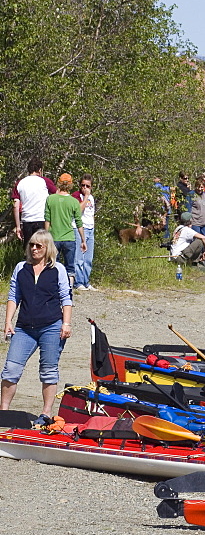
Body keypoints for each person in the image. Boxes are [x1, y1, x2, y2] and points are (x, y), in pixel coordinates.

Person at [1, 230, 73, 416]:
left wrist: (66, 323)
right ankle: (4, 412)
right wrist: (8, 321)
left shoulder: (58, 269)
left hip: (51, 326)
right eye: (31, 245)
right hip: (24, 328)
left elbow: (66, 298)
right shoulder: (20, 268)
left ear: (47, 248)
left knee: (48, 370)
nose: (34, 248)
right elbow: (13, 296)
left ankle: (46, 413)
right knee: (11, 369)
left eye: (38, 246)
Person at [44, 173, 86, 289]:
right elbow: (79, 223)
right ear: (71, 184)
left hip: (54, 237)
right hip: (69, 238)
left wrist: (46, 237)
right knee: (70, 267)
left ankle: (53, 288)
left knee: (53, 265)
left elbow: (47, 220)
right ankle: (69, 290)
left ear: (59, 182)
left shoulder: (50, 199)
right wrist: (83, 240)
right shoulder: (73, 202)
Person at [13, 157, 56, 243]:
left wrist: (18, 226)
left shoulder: (20, 183)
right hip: (42, 219)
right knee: (42, 248)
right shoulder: (45, 181)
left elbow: (15, 205)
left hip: (27, 220)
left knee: (29, 249)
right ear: (40, 170)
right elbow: (57, 195)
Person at [72, 174, 97, 291]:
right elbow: (79, 210)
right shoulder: (77, 196)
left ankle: (86, 281)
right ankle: (78, 282)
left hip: (90, 229)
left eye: (88, 186)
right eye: (83, 185)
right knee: (79, 258)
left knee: (88, 258)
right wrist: (85, 197)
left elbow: (91, 214)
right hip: (79, 228)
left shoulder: (91, 197)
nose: (85, 188)